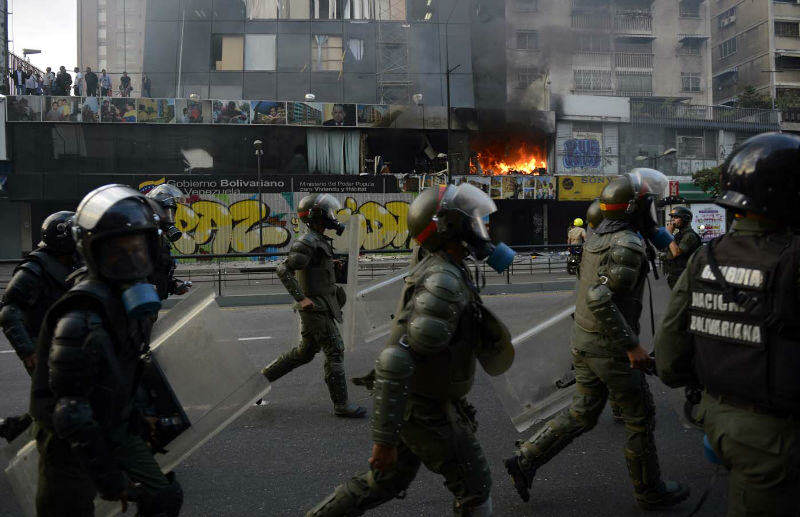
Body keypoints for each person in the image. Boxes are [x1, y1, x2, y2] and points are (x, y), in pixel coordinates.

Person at [307, 183, 515, 516]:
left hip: (419, 401)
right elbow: (395, 359)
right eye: (475, 219)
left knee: (385, 483)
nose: (484, 226)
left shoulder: (445, 264)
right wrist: (384, 440)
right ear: (450, 228)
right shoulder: (443, 280)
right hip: (425, 411)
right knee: (475, 488)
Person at [504, 168, 690, 510]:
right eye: (647, 206)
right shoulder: (628, 244)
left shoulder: (597, 239)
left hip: (586, 342)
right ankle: (649, 491)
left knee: (583, 413)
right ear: (634, 209)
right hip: (610, 350)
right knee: (640, 416)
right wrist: (631, 346)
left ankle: (526, 458)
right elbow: (600, 298)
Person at [655, 132, 800, 517]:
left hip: (717, 418)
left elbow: (668, 359)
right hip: (774, 437)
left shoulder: (706, 256)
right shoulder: (791, 260)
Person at [29, 185, 183, 517]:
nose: (130, 259)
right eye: (116, 250)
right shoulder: (81, 317)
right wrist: (112, 482)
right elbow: (72, 414)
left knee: (164, 496)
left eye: (138, 248)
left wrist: (141, 413)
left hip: (113, 420)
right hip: (68, 444)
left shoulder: (126, 302)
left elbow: (124, 368)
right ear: (92, 253)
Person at [260, 194, 366, 418]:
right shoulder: (307, 242)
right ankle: (342, 405)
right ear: (318, 216)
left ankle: (257, 384)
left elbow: (313, 269)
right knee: (335, 351)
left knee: (304, 353)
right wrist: (301, 299)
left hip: (323, 306)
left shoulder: (318, 240)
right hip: (315, 309)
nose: (333, 217)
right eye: (330, 212)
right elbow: (283, 269)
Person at [0, 212, 78, 443]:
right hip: (42, 345)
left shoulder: (72, 262)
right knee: (61, 400)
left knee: (61, 398)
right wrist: (28, 351)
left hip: (65, 342)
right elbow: (9, 312)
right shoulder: (33, 269)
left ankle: (18, 427)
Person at [146, 184, 191, 300]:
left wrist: (173, 287)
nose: (170, 218)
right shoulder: (145, 239)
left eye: (172, 213)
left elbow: (161, 272)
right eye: (166, 213)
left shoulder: (161, 240)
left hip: (153, 303)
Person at [661, 206, 701, 289]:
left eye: (676, 217)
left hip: (684, 277)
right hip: (675, 276)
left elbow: (676, 252)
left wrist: (668, 234)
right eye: (672, 217)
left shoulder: (690, 236)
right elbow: (670, 251)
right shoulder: (679, 235)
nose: (672, 220)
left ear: (685, 219)